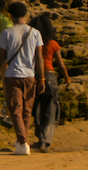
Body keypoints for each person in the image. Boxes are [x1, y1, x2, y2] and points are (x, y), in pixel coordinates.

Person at [0, 1, 44, 155]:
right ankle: (23, 141)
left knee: (15, 109)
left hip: (12, 75)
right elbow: (39, 58)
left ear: (10, 15)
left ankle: (22, 142)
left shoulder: (7, 33)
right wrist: (41, 79)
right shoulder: (35, 32)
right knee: (27, 110)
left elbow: (0, 56)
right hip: (30, 75)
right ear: (25, 14)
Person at [29, 14, 70, 153]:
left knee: (36, 108)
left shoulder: (31, 42)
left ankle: (39, 135)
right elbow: (61, 64)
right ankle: (45, 140)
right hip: (49, 76)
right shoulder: (53, 44)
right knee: (50, 109)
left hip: (33, 76)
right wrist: (66, 78)